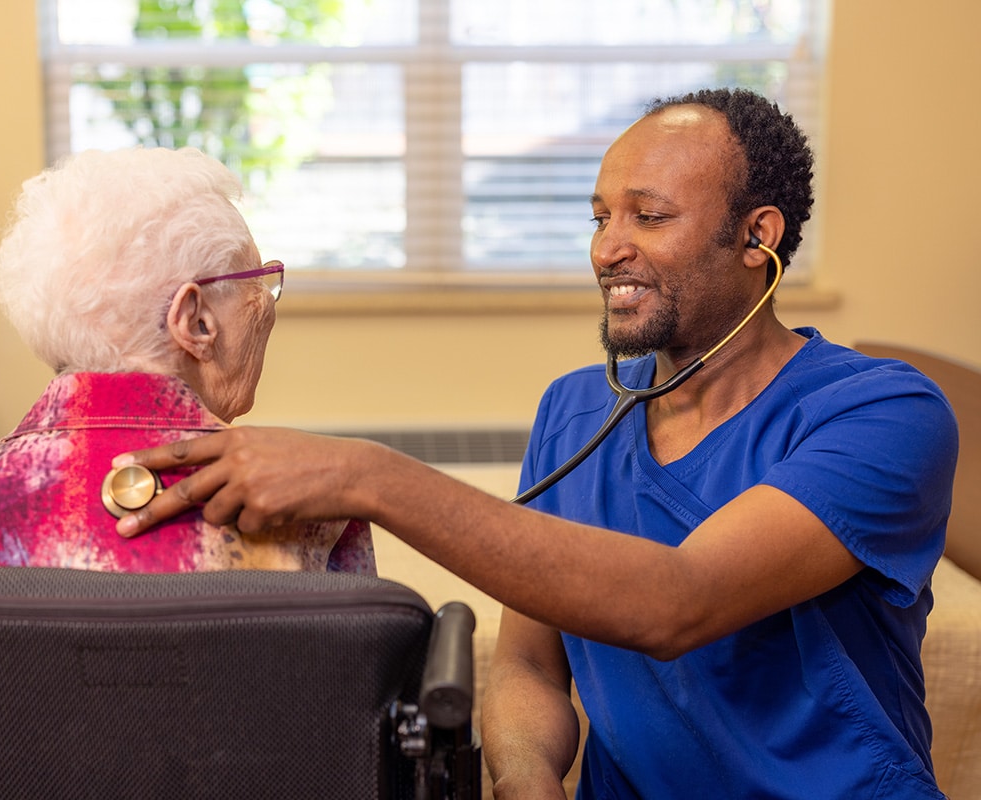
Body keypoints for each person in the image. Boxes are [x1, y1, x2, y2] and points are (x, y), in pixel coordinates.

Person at [106, 89, 957, 798]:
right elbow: (528, 667)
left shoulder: (882, 414)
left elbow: (677, 602)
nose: (607, 248)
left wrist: (367, 476)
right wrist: (525, 780)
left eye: (648, 216)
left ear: (756, 238)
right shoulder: (576, 411)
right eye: (600, 216)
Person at [0, 146, 374, 576]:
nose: (267, 304)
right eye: (259, 279)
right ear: (196, 322)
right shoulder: (313, 501)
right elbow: (356, 664)